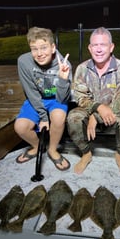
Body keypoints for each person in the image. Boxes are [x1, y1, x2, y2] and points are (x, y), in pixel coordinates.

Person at [67, 27, 120, 176]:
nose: (99, 49)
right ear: (90, 48)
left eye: (103, 45)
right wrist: (97, 108)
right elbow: (80, 97)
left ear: (111, 47)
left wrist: (96, 116)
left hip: (114, 111)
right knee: (73, 117)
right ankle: (86, 153)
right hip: (90, 109)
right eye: (95, 45)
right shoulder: (82, 69)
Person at [14, 26, 72, 171]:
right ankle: (38, 146)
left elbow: (63, 98)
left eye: (44, 47)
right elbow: (31, 91)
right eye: (34, 48)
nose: (39, 53)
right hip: (36, 98)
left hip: (56, 99)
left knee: (58, 117)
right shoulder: (24, 61)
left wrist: (63, 79)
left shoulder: (63, 64)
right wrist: (43, 117)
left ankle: (52, 149)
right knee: (20, 127)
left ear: (53, 48)